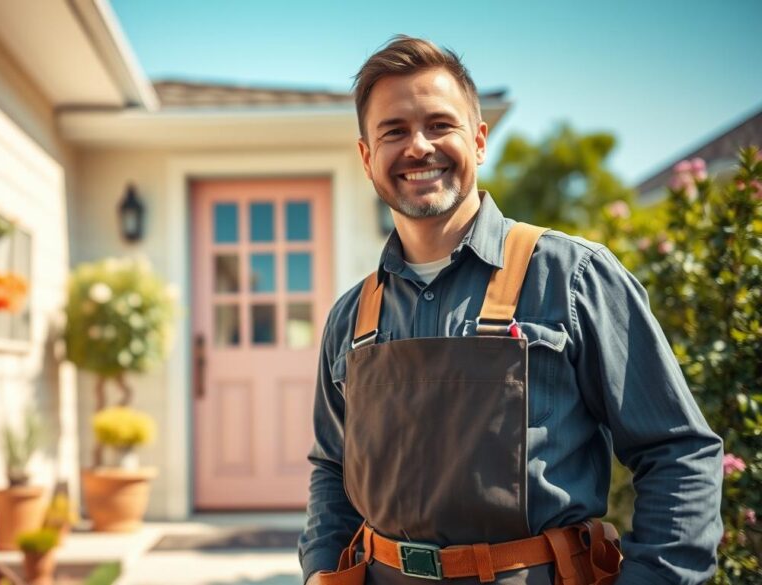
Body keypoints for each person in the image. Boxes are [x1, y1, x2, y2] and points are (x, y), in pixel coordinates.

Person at [298, 35, 723, 585]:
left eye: (439, 124)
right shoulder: (351, 317)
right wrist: (320, 573)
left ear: (478, 141)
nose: (419, 146)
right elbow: (332, 471)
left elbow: (678, 452)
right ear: (366, 157)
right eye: (394, 131)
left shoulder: (573, 277)